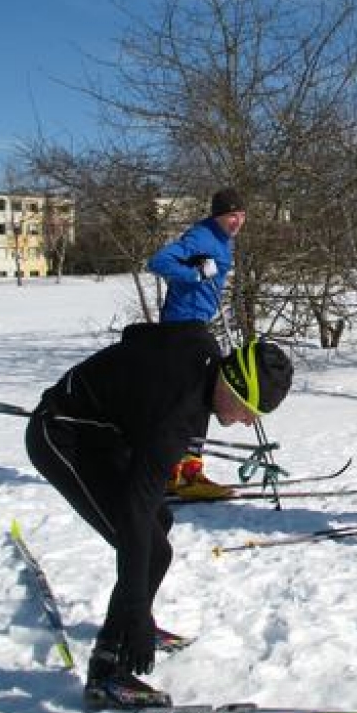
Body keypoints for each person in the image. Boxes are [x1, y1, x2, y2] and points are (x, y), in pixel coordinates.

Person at [25, 325, 293, 709]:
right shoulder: (174, 418)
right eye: (251, 411)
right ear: (234, 387)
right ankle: (107, 670)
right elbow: (135, 513)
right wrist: (137, 612)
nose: (250, 422)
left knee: (159, 526)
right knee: (152, 549)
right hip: (61, 435)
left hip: (105, 431)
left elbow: (136, 334)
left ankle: (127, 627)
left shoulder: (202, 345)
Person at [146, 187, 247, 498]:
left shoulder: (221, 239)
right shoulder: (202, 237)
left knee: (193, 395)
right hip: (182, 327)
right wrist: (196, 275)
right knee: (203, 394)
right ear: (218, 215)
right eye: (232, 215)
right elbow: (158, 262)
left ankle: (179, 470)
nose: (237, 221)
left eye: (241, 215)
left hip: (193, 323)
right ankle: (187, 473)